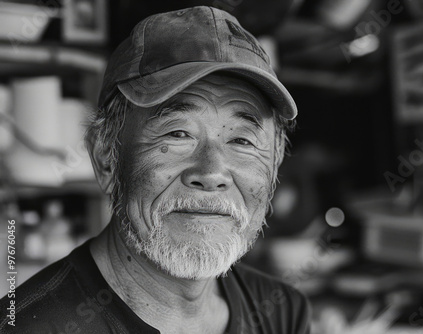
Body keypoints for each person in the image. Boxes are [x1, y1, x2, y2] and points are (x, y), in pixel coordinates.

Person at [0, 6, 311, 333]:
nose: (211, 173)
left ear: (275, 163)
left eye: (242, 140)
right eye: (178, 134)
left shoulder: (283, 313)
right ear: (107, 157)